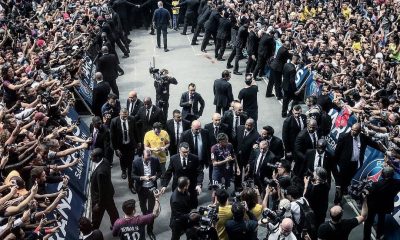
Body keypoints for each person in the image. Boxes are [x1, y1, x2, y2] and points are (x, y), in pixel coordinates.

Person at [335, 123, 381, 200]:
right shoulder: (344, 137)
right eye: (352, 129)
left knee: (349, 179)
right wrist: (336, 164)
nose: (352, 132)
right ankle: (338, 200)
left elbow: (374, 144)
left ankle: (345, 189)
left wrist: (384, 151)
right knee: (340, 182)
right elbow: (337, 152)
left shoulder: (363, 138)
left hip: (355, 164)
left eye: (355, 130)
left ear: (359, 131)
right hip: (344, 164)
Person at [161, 142, 204, 208]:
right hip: (178, 187)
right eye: (184, 152)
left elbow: (200, 172)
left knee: (193, 206)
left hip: (191, 187)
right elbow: (169, 173)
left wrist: (199, 184)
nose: (186, 154)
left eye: (187, 151)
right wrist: (164, 185)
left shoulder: (194, 158)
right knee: (178, 206)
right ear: (179, 150)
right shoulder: (173, 159)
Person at [131, 150, 162, 239]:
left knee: (151, 211)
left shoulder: (155, 160)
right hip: (141, 189)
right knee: (144, 210)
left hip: (152, 189)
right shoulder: (136, 162)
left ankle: (149, 230)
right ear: (142, 155)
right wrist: (141, 178)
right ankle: (143, 225)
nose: (149, 158)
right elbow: (132, 175)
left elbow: (160, 172)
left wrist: (156, 176)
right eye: (147, 157)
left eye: (149, 156)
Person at [363, 166, 400, 240]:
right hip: (385, 206)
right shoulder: (397, 183)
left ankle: (366, 238)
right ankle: (378, 236)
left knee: (368, 222)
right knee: (381, 221)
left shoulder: (376, 184)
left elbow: (370, 195)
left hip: (373, 206)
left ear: (382, 174)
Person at [110, 108, 139, 193]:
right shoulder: (114, 121)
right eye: (123, 116)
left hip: (130, 145)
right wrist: (116, 149)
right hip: (120, 146)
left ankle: (131, 184)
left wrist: (138, 142)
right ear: (119, 114)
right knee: (122, 159)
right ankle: (123, 171)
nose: (125, 117)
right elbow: (112, 136)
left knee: (130, 165)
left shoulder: (132, 119)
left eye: (126, 115)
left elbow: (135, 131)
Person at [90, 148, 119, 229]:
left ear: (98, 157)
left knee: (96, 218)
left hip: (101, 198)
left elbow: (101, 189)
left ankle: (94, 232)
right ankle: (116, 226)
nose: (91, 158)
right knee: (113, 212)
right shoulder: (105, 160)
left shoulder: (100, 173)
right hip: (109, 193)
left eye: (92, 157)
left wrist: (98, 204)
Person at [235, 118, 259, 191]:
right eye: (246, 124)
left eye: (249, 125)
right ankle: (237, 187)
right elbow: (236, 140)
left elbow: (253, 150)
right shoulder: (239, 128)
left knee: (247, 174)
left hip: (247, 158)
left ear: (253, 126)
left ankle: (246, 190)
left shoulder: (256, 135)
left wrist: (249, 162)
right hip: (238, 156)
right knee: (237, 173)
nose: (247, 126)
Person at [205, 113, 229, 184]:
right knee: (211, 166)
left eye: (219, 120)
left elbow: (227, 139)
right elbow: (206, 140)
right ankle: (211, 180)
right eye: (216, 120)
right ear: (212, 119)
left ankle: (220, 180)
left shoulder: (225, 127)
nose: (218, 122)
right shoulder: (207, 127)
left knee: (221, 166)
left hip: (221, 151)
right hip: (211, 151)